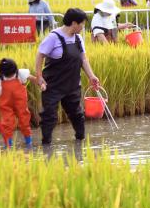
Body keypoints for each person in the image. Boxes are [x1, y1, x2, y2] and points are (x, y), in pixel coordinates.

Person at [34, 8, 100, 145]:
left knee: (77, 115)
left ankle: (80, 142)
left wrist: (91, 76)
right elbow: (40, 55)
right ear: (74, 23)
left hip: (72, 85)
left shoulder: (78, 38)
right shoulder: (54, 37)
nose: (83, 27)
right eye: (82, 24)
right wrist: (39, 76)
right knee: (49, 116)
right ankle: (46, 145)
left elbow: (83, 59)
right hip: (53, 86)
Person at [0, 58, 33, 147]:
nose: (10, 76)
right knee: (7, 123)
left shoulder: (20, 74)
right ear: (2, 73)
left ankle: (28, 142)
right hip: (6, 105)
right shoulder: (0, 78)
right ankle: (8, 144)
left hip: (20, 103)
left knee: (24, 121)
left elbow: (32, 78)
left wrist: (41, 83)